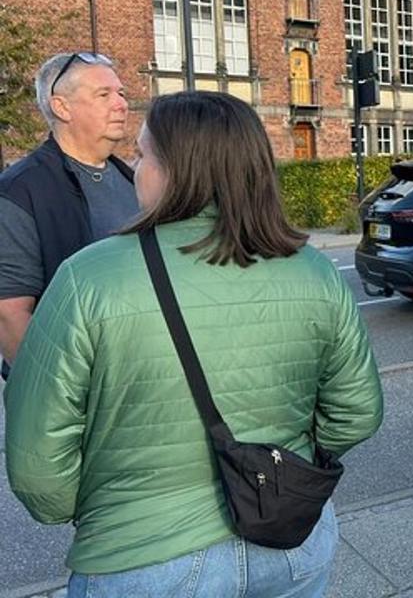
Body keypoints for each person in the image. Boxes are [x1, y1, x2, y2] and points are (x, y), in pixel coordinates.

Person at [5, 91, 384, 597]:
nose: (135, 170)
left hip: (143, 557)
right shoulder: (313, 269)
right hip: (292, 539)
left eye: (143, 156)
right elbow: (357, 412)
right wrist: (281, 461)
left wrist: (109, 508)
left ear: (174, 170)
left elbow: (37, 462)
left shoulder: (88, 278)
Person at [0, 52, 137, 375]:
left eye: (121, 93)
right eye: (103, 94)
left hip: (132, 380)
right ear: (61, 107)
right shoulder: (20, 190)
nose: (121, 104)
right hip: (69, 388)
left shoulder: (134, 180)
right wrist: (58, 389)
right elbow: (9, 314)